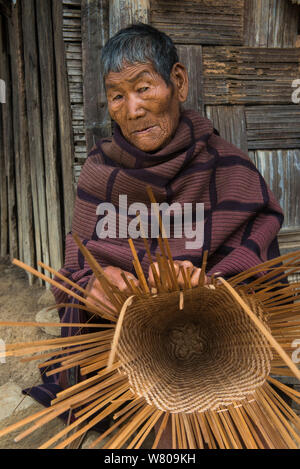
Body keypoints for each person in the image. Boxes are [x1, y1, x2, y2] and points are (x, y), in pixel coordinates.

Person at [24, 23, 284, 446]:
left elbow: (265, 273)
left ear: (178, 83)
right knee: (154, 437)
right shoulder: (98, 173)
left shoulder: (232, 169)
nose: (133, 109)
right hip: (122, 349)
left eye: (144, 88)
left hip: (219, 349)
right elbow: (74, 266)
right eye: (117, 96)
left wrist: (213, 288)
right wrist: (94, 287)